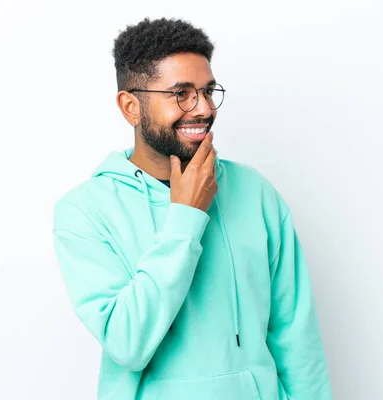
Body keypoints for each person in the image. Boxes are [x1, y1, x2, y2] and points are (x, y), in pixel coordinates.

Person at [52, 17, 332, 400]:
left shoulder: (255, 193)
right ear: (131, 107)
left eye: (207, 90)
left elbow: (296, 338)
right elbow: (127, 342)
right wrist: (187, 215)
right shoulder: (84, 212)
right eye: (182, 93)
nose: (202, 108)